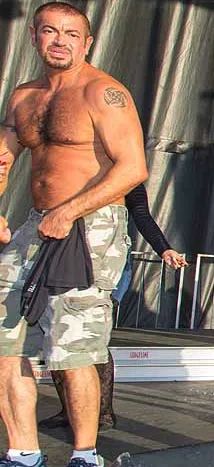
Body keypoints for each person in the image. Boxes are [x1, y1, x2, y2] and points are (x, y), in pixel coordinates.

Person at [0, 2, 146, 467]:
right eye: (50, 31)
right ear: (35, 37)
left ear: (87, 43)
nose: (59, 40)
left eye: (70, 33)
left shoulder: (103, 93)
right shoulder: (25, 97)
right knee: (3, 339)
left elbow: (132, 168)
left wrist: (71, 210)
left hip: (91, 224)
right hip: (37, 224)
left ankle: (85, 458)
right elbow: (2, 156)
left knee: (73, 348)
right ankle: (24, 457)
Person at [39, 183, 188, 432]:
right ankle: (69, 409)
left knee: (93, 336)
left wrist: (164, 248)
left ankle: (104, 412)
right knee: (57, 331)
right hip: (64, 251)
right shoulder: (74, 171)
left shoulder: (123, 174)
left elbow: (141, 214)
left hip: (103, 261)